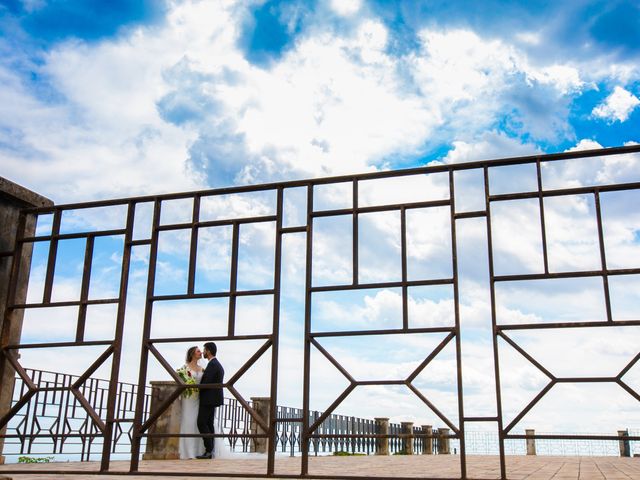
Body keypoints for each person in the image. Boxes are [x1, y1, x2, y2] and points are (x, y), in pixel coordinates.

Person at [196, 341, 224, 459]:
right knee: (209, 423)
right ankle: (211, 451)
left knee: (201, 422)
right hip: (212, 399)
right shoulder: (215, 364)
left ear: (209, 351)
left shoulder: (213, 365)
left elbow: (206, 383)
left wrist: (196, 389)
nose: (203, 352)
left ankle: (209, 450)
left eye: (204, 350)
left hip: (208, 399)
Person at [178, 346, 204, 459]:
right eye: (198, 351)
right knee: (188, 421)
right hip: (188, 398)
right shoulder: (185, 368)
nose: (201, 353)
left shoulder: (202, 369)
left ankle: (198, 451)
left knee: (197, 422)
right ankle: (187, 452)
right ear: (192, 354)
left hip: (199, 398)